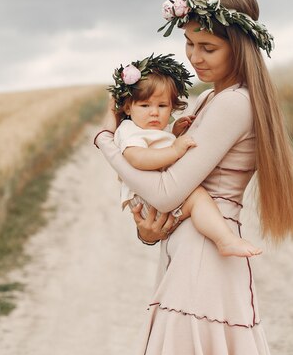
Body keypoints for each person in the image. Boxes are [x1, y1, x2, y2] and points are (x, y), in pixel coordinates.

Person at [94, 0, 293, 355]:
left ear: (239, 46)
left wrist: (106, 142)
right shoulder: (209, 100)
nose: (194, 57)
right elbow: (168, 191)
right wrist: (148, 232)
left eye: (208, 47)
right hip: (195, 256)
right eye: (190, 44)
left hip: (202, 263)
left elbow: (169, 191)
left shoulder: (233, 103)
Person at [109, 53, 262, 258]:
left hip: (153, 196)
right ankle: (224, 239)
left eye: (162, 106)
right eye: (145, 106)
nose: (154, 112)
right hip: (147, 200)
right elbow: (137, 158)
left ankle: (224, 239)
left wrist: (173, 134)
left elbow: (155, 145)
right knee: (197, 197)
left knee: (196, 198)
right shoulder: (128, 130)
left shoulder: (148, 129)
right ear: (128, 107)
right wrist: (174, 150)